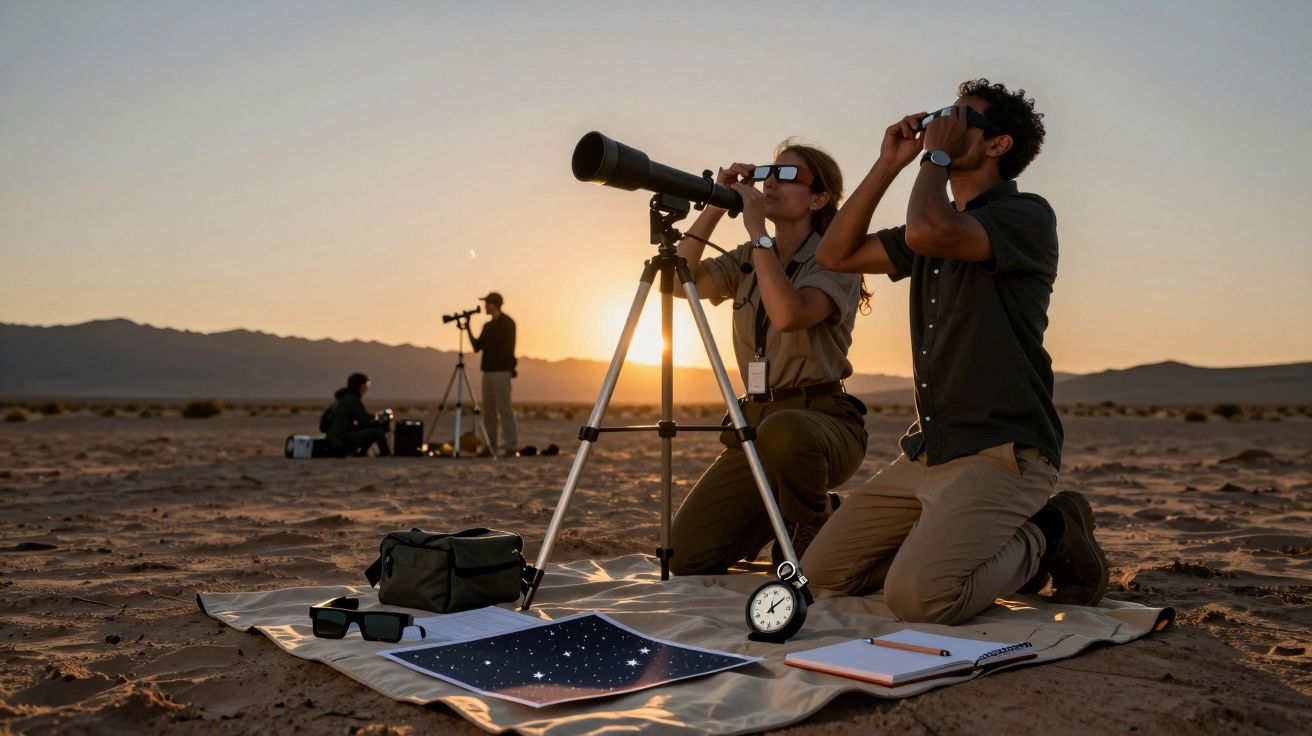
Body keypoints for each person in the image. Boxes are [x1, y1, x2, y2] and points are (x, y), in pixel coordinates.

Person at [810, 79, 1108, 624]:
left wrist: (935, 157)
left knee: (921, 599)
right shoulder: (932, 222)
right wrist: (889, 164)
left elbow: (931, 230)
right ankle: (946, 545)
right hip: (930, 450)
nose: (942, 124)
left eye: (961, 117)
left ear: (998, 145)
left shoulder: (1027, 216)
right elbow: (835, 253)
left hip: (1003, 452)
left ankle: (1052, 530)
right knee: (822, 578)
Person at [667, 139, 872, 576]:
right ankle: (785, 509)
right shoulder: (748, 258)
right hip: (756, 425)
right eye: (767, 173)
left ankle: (814, 514)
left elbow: (789, 315)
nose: (771, 182)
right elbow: (676, 280)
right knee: (686, 555)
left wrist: (758, 231)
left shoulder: (835, 259)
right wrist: (714, 205)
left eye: (787, 175)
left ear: (819, 199)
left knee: (785, 431)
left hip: (821, 423)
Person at [469, 291, 519, 457]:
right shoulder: (487, 326)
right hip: (488, 372)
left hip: (501, 372)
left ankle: (511, 446)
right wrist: (468, 327)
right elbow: (477, 346)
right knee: (488, 411)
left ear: (495, 304)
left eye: (488, 303)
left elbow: (507, 349)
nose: (485, 307)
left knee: (504, 409)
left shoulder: (508, 324)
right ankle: (490, 446)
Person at [326, 372, 391, 457]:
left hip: (335, 438)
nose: (367, 387)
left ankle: (361, 453)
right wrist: (380, 422)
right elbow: (364, 421)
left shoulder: (343, 399)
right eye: (366, 384)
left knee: (373, 429)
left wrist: (377, 418)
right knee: (377, 431)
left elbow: (362, 418)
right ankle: (385, 454)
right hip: (341, 440)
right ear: (361, 385)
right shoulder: (352, 400)